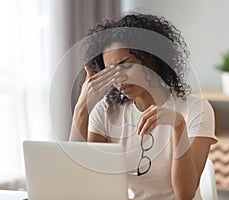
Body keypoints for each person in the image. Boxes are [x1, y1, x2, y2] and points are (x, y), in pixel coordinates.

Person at [69, 13, 217, 200]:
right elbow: (80, 182)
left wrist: (178, 126)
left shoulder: (196, 109)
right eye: (110, 70)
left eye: (125, 65)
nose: (118, 77)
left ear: (151, 59)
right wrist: (81, 109)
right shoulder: (106, 112)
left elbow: (185, 194)